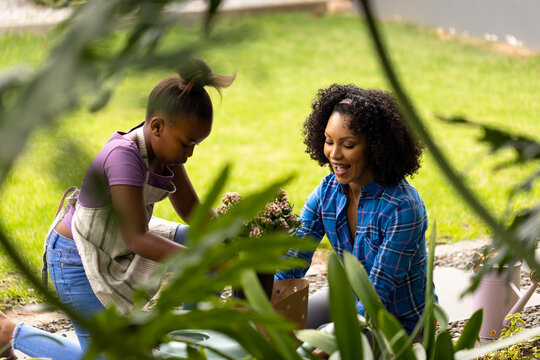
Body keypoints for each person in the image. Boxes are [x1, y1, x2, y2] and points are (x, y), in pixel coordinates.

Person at [0, 58, 235, 360]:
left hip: (117, 246)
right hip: (77, 260)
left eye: (195, 146)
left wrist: (232, 238)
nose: (189, 153)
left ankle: (186, 342)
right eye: (187, 143)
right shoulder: (124, 157)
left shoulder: (166, 154)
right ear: (157, 127)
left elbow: (193, 211)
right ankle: (10, 333)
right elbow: (137, 238)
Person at [275, 83, 433, 335]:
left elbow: (377, 295)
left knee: (320, 339)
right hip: (347, 296)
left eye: (348, 145)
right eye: (328, 141)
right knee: (280, 325)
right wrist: (273, 308)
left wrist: (330, 335)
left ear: (377, 147)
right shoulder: (327, 193)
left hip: (398, 323)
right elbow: (293, 260)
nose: (334, 154)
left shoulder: (403, 208)